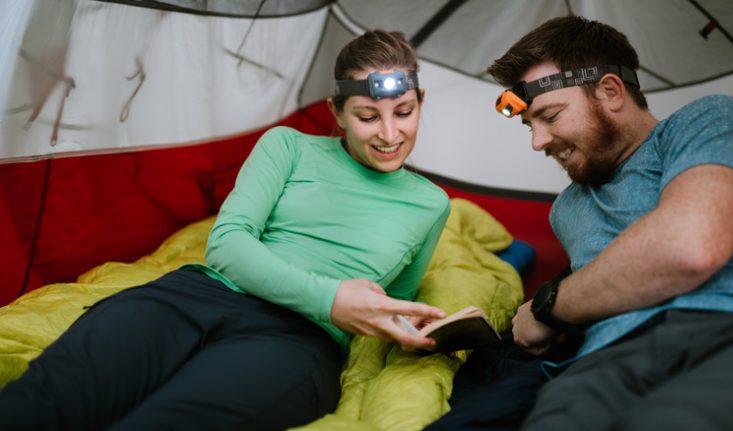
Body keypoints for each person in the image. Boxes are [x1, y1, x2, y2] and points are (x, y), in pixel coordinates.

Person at [0, 30, 450, 431]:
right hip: (197, 297)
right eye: (368, 116)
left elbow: (390, 302)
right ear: (336, 111)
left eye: (404, 112)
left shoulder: (431, 205)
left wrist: (409, 323)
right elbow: (227, 245)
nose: (390, 133)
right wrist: (331, 299)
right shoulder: (288, 146)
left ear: (420, 101)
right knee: (50, 399)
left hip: (297, 340)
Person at [483, 15, 733, 430]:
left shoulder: (711, 119)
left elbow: (688, 247)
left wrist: (547, 307)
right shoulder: (565, 208)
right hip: (598, 367)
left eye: (551, 116)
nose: (537, 141)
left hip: (727, 332)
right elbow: (602, 289)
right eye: (529, 125)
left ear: (610, 91)